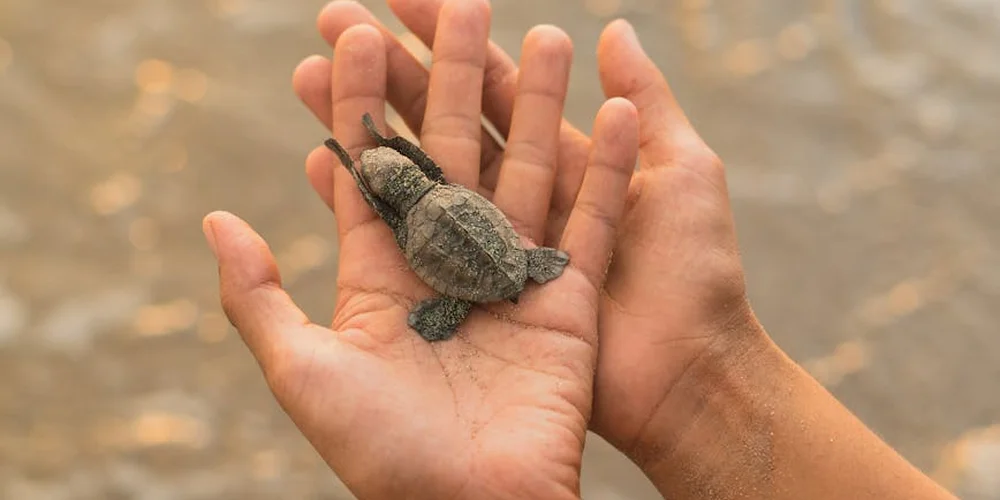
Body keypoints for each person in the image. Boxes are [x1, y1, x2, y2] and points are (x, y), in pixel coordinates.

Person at [201, 0, 959, 498]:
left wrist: (354, 151)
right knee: (432, 209)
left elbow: (393, 200)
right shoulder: (432, 185)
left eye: (385, 164)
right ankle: (498, 271)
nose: (390, 172)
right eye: (386, 161)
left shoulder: (403, 217)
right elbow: (419, 178)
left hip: (443, 234)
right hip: (483, 234)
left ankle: (453, 286)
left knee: (405, 218)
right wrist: (704, 381)